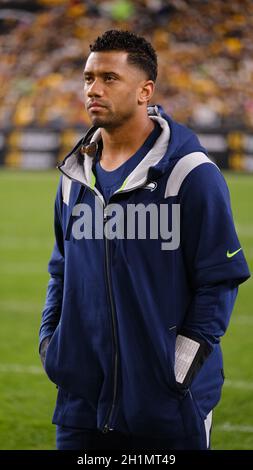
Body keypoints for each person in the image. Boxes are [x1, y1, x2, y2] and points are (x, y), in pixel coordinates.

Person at [39, 29, 250, 451]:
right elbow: (61, 269)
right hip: (82, 406)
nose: (93, 89)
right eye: (87, 78)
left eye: (109, 78)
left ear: (145, 90)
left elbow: (219, 280)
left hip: (168, 405)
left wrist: (177, 370)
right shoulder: (73, 177)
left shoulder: (190, 174)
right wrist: (52, 344)